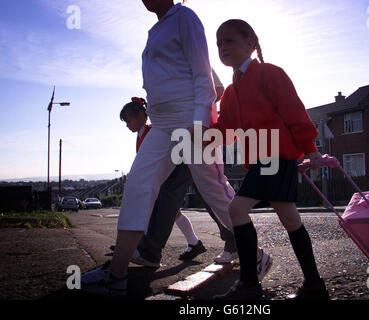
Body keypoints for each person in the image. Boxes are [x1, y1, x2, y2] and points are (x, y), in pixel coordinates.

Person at [80, 1, 272, 296]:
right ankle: (117, 273)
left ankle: (256, 256)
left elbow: (202, 75)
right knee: (139, 183)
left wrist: (200, 121)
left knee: (213, 190)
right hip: (163, 123)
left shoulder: (185, 18)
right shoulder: (156, 29)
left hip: (190, 119)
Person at [211, 19, 329, 300]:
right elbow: (225, 131)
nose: (222, 47)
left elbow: (295, 112)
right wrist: (196, 135)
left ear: (250, 43)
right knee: (290, 220)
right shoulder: (229, 92)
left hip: (276, 156)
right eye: (218, 43)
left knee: (236, 210)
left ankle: (250, 285)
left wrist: (311, 150)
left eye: (228, 40)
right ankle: (314, 285)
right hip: (262, 160)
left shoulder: (270, 74)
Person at [119, 96, 207, 261]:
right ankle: (194, 242)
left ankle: (139, 245)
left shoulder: (152, 132)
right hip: (162, 173)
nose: (127, 125)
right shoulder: (142, 134)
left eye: (128, 121)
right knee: (170, 211)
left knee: (159, 209)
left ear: (141, 116)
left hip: (166, 171)